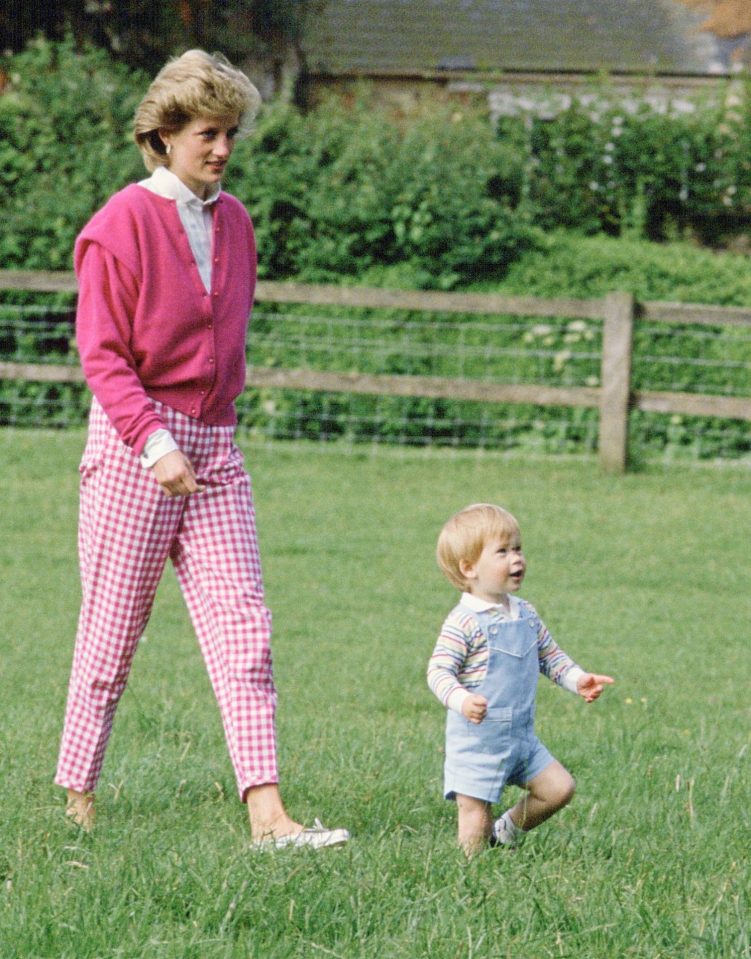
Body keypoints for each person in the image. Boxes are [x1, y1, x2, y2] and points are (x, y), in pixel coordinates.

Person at [54, 50, 349, 850]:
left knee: (244, 627)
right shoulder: (119, 225)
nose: (222, 148)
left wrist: (203, 428)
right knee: (112, 632)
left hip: (215, 445)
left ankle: (269, 815)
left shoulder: (237, 222)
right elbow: (103, 354)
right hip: (133, 445)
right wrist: (152, 442)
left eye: (230, 133)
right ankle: (77, 796)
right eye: (208, 133)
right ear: (163, 135)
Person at [427, 503, 613, 855]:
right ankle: (472, 877)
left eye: (518, 548)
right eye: (502, 552)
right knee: (474, 818)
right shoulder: (463, 621)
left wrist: (577, 680)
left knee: (559, 789)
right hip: (478, 742)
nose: (516, 559)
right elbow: (438, 671)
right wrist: (462, 700)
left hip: (520, 738)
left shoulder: (525, 612)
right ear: (469, 568)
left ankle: (506, 832)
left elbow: (549, 655)